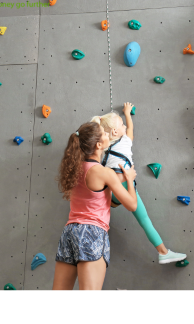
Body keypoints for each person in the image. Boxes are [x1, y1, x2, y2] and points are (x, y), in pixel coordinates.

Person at [92, 103, 187, 264]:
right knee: (144, 220)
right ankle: (163, 252)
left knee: (102, 215)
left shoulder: (103, 150)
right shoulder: (124, 142)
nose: (123, 126)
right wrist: (127, 114)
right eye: (120, 124)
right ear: (115, 131)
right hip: (125, 187)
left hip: (111, 192)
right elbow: (130, 131)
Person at [52, 121, 138, 290]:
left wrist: (117, 179)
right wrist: (129, 178)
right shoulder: (104, 172)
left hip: (69, 232)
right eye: (105, 134)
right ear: (99, 144)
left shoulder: (75, 169)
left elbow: (94, 188)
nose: (108, 135)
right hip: (92, 232)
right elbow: (132, 205)